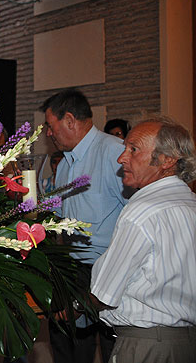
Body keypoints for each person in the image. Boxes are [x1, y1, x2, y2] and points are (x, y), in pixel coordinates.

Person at [90, 117, 196, 362]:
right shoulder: (190, 204)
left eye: (133, 149)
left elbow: (105, 292)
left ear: (167, 160)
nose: (121, 158)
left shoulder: (141, 211)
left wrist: (75, 304)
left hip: (147, 346)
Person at [40, 89, 129, 363]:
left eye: (51, 127)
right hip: (74, 271)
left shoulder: (113, 153)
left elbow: (135, 214)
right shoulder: (66, 161)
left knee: (113, 348)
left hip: (109, 270)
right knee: (71, 348)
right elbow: (58, 210)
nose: (48, 134)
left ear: (69, 120)